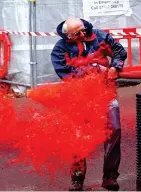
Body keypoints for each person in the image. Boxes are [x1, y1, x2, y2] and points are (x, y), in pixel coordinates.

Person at [50, 18, 127, 191]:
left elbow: (119, 51)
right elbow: (64, 72)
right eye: (77, 33)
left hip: (106, 93)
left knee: (114, 129)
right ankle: (77, 179)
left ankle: (110, 177)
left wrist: (115, 66)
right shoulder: (60, 48)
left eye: (83, 30)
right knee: (78, 137)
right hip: (80, 98)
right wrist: (91, 72)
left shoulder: (100, 36)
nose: (83, 34)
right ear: (68, 35)